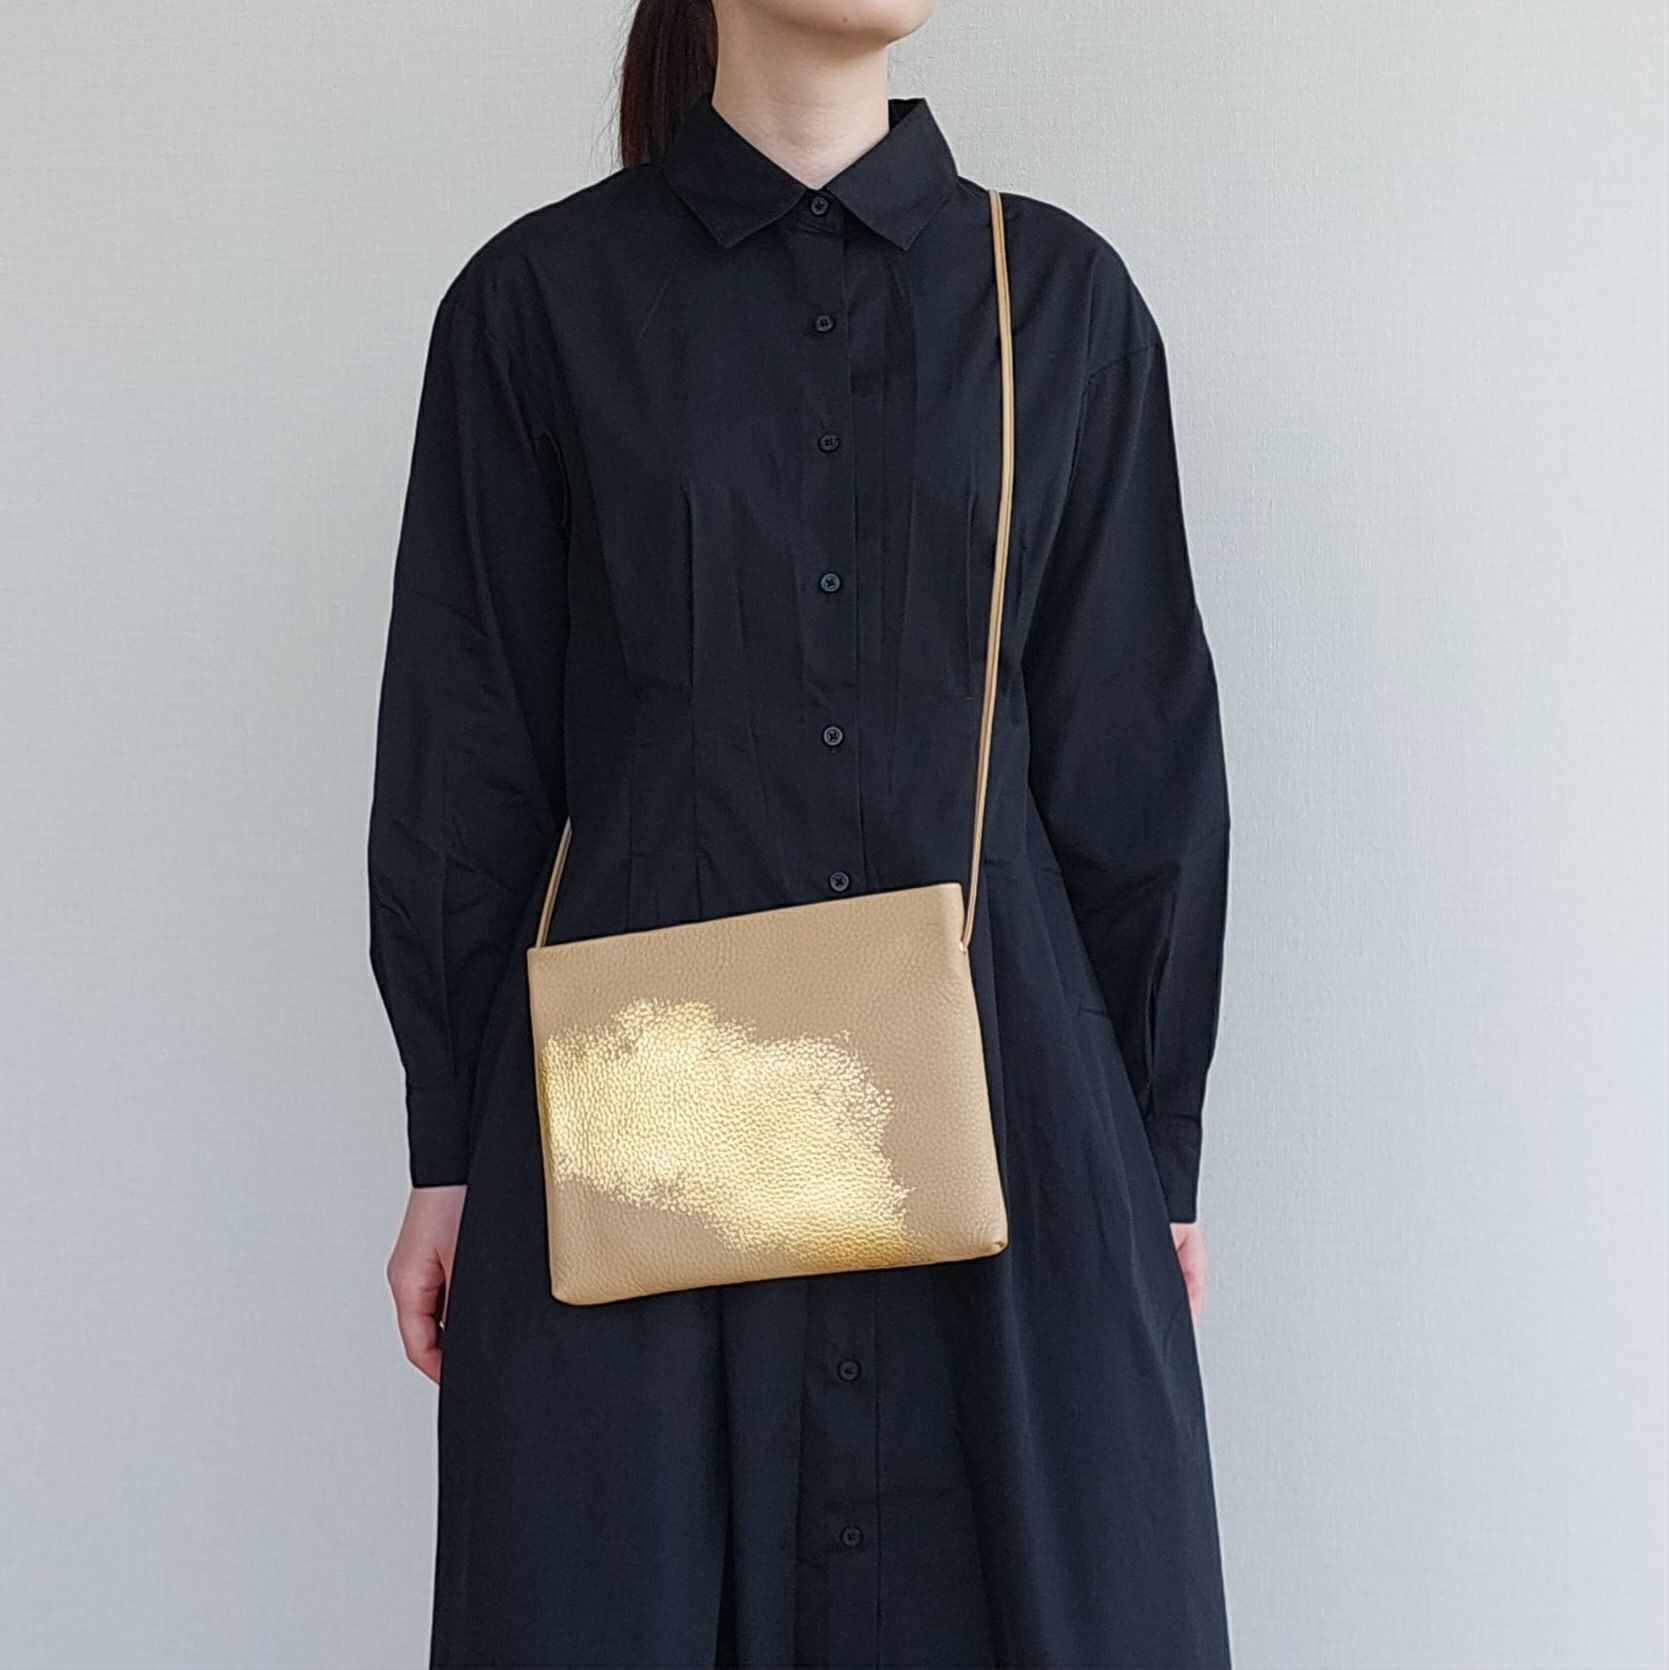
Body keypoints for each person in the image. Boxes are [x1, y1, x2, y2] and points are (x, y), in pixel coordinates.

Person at [368, 0, 1233, 1663]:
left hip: (1013, 1117)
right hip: (633, 1122)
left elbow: (1138, 765)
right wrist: (447, 1143)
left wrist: (1157, 1152)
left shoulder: (1056, 300)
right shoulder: (538, 303)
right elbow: (463, 757)